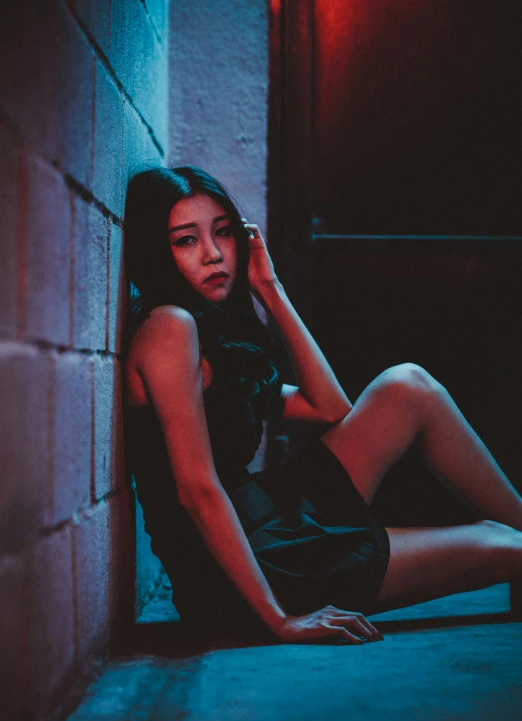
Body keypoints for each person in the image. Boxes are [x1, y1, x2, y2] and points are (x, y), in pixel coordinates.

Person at [123, 165, 522, 645]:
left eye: (224, 233)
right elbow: (198, 491)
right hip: (250, 571)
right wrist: (281, 621)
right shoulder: (169, 328)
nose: (213, 254)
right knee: (505, 545)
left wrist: (270, 289)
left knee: (407, 386)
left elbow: (330, 409)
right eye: (185, 240)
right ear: (155, 252)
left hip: (273, 518)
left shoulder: (210, 336)